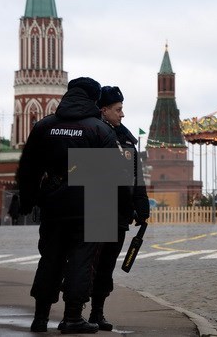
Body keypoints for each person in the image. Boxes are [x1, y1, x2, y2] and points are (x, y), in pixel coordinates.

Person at [17, 77, 119, 334]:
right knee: (81, 262)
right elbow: (110, 177)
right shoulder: (99, 129)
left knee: (49, 259)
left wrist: (28, 200)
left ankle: (40, 317)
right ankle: (73, 317)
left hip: (53, 204)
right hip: (89, 206)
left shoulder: (44, 126)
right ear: (93, 100)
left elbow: (28, 168)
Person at [90, 85, 150, 331]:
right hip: (98, 209)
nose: (122, 114)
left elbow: (136, 176)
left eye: (122, 109)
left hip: (119, 213)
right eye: (118, 109)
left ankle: (97, 312)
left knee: (106, 266)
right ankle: (77, 313)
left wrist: (141, 206)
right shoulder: (94, 134)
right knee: (91, 264)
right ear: (104, 110)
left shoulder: (125, 138)